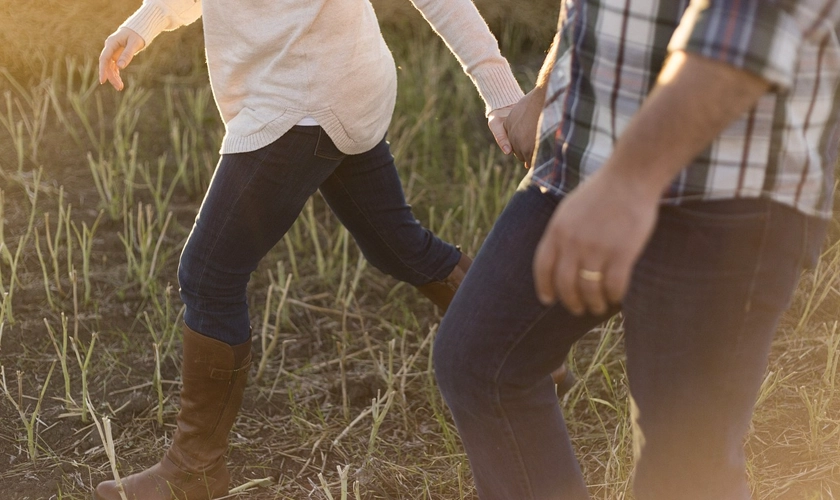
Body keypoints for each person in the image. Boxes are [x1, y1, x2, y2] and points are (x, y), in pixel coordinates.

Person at [92, 1, 548, 499]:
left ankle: (193, 469)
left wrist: (502, 93)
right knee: (396, 246)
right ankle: (522, 346)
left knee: (208, 273)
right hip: (332, 81)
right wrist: (146, 21)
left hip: (304, 99)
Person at [433, 0, 840, 497]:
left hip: (727, 182)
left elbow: (747, 29)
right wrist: (550, 83)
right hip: (586, 156)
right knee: (481, 362)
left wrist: (628, 183)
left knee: (683, 465)